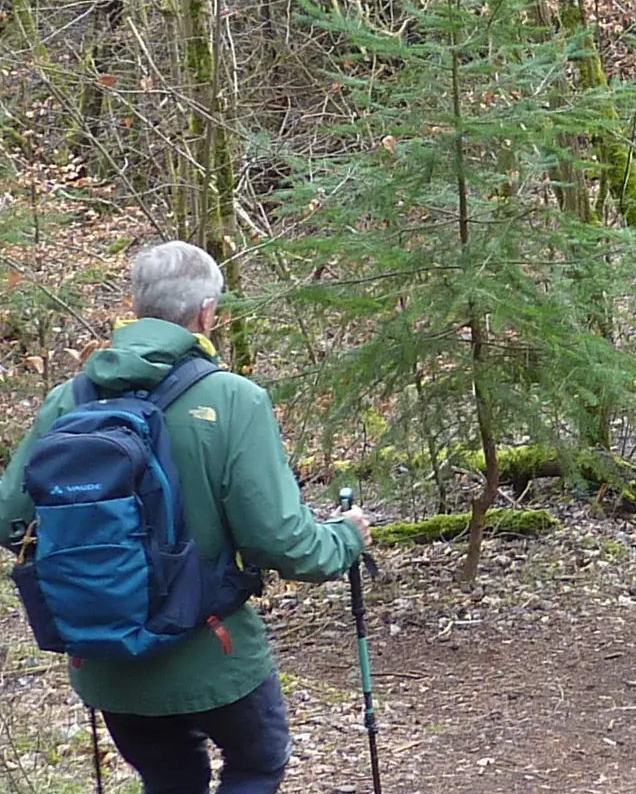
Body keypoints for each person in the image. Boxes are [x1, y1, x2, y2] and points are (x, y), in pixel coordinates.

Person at [0, 241, 372, 794]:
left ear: (135, 304)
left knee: (170, 778)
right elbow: (283, 542)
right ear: (206, 313)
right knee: (259, 760)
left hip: (104, 657)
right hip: (212, 653)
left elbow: (11, 519)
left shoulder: (68, 399)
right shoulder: (233, 400)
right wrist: (346, 539)